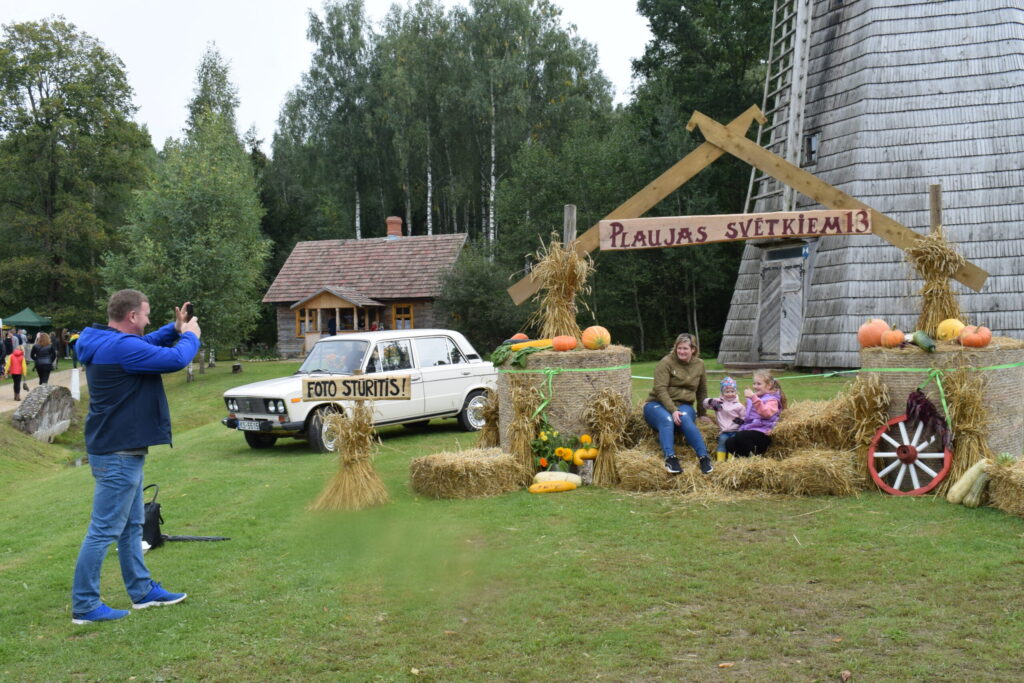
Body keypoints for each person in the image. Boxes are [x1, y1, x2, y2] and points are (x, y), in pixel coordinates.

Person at [70, 290, 201, 625]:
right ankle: (84, 605)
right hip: (118, 453)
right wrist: (190, 336)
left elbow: (146, 342)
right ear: (131, 316)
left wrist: (173, 328)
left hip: (118, 449)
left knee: (132, 526)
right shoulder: (123, 347)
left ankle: (142, 592)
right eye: (145, 315)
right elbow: (175, 360)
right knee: (103, 530)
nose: (147, 320)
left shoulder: (103, 340)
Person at [643, 333, 715, 475]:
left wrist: (702, 414)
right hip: (657, 404)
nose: (681, 351)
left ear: (693, 349)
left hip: (684, 404)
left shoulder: (699, 364)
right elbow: (660, 389)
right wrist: (672, 410)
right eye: (679, 348)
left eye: (685, 348)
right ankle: (670, 458)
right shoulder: (666, 362)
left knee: (685, 418)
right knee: (667, 419)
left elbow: (702, 391)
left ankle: (704, 457)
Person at [724, 369, 786, 458]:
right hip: (751, 431)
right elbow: (749, 416)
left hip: (764, 433)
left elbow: (766, 413)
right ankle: (745, 460)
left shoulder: (772, 400)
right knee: (729, 442)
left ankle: (755, 459)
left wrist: (753, 398)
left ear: (768, 385)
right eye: (754, 383)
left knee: (741, 436)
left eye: (759, 384)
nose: (755, 386)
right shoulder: (753, 399)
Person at [702, 376, 745, 462]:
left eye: (732, 391)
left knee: (733, 445)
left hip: (735, 431)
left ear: (736, 392)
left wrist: (740, 421)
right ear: (722, 392)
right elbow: (705, 404)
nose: (730, 394)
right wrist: (710, 401)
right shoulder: (718, 403)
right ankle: (720, 461)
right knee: (722, 443)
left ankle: (730, 461)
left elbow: (745, 417)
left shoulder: (739, 405)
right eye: (726, 392)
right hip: (724, 431)